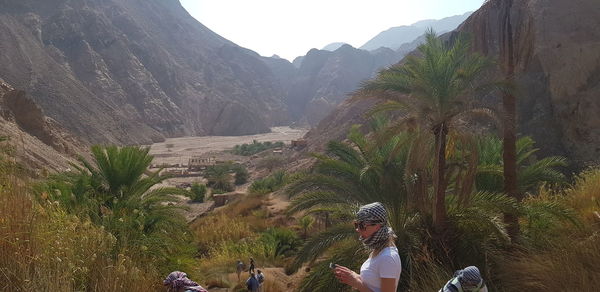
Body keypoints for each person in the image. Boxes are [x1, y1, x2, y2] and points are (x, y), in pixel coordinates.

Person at [333, 202, 401, 292]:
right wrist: (353, 275)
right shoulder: (378, 251)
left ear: (377, 226)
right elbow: (373, 284)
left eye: (362, 225)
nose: (357, 229)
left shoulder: (388, 257)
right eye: (356, 225)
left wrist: (357, 283)